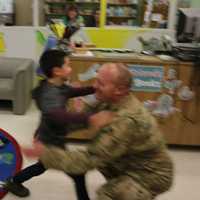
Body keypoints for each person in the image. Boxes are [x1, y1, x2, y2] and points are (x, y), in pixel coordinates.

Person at [31, 62, 174, 200]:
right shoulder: (109, 99)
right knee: (105, 164)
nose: (95, 86)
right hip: (126, 161)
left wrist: (46, 154)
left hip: (151, 174)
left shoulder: (126, 120)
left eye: (101, 83)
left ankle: (140, 191)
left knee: (108, 194)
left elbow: (89, 159)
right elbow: (81, 119)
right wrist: (48, 128)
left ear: (119, 89)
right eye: (96, 81)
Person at [3, 49, 112, 200]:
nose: (71, 68)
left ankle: (14, 181)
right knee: (77, 173)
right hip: (50, 142)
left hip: (52, 138)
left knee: (42, 166)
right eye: (68, 65)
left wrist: (93, 88)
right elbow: (56, 114)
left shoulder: (58, 86)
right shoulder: (50, 94)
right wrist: (89, 119)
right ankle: (14, 181)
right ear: (57, 71)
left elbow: (72, 92)